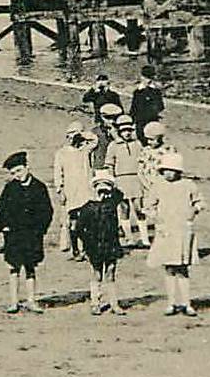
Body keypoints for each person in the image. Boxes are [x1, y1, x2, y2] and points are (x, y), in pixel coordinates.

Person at [0, 151, 54, 314]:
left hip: (32, 235)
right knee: (14, 267)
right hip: (14, 235)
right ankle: (14, 302)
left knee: (30, 267)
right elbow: (1, 208)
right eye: (13, 173)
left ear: (27, 168)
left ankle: (31, 300)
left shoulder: (39, 187)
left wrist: (41, 229)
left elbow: (47, 211)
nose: (17, 175)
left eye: (19, 171)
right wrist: (4, 226)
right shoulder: (10, 188)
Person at [147, 152, 202, 317]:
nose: (169, 173)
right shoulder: (158, 185)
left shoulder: (188, 185)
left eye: (172, 170)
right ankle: (171, 303)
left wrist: (194, 210)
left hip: (182, 230)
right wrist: (157, 218)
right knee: (169, 267)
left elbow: (199, 201)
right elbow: (149, 206)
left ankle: (186, 303)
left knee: (182, 268)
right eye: (165, 170)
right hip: (166, 231)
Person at [72, 172, 127, 315]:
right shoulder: (88, 207)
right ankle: (95, 302)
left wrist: (111, 188)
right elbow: (78, 228)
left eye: (106, 191)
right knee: (96, 274)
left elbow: (120, 195)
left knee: (110, 273)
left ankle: (114, 303)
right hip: (94, 245)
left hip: (111, 244)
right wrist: (83, 246)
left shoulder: (112, 204)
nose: (104, 195)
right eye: (100, 191)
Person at [52, 121, 97, 260]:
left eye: (75, 135)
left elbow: (95, 140)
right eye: (70, 135)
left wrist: (82, 135)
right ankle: (75, 249)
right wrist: (60, 190)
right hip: (70, 191)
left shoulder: (85, 150)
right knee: (72, 221)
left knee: (86, 220)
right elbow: (58, 172)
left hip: (85, 190)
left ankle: (86, 249)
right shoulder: (62, 153)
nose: (73, 138)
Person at [103, 116, 147, 246]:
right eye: (123, 130)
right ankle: (129, 238)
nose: (127, 133)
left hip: (135, 179)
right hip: (120, 180)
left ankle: (144, 238)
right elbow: (109, 164)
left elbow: (143, 161)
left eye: (129, 130)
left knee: (139, 208)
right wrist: (112, 181)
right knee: (124, 209)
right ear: (119, 131)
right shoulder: (113, 146)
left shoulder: (137, 144)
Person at [129, 66, 165, 138]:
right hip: (141, 122)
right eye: (145, 78)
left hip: (150, 121)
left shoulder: (155, 92)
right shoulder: (138, 92)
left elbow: (160, 106)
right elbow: (133, 109)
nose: (147, 80)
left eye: (149, 78)